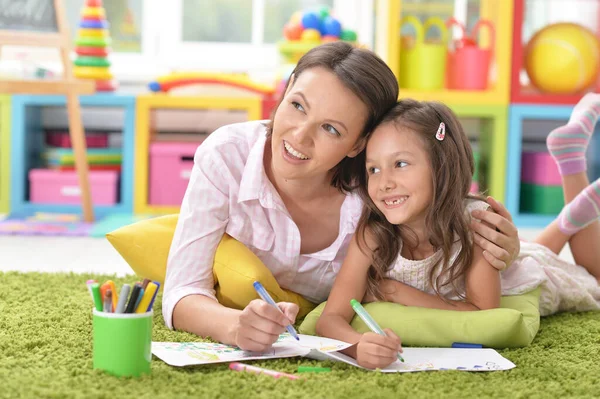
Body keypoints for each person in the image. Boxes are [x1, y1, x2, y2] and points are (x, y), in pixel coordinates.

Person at [163, 42, 521, 352]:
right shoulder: (227, 156)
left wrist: (506, 247)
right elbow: (181, 289)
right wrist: (233, 326)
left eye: (331, 128)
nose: (300, 137)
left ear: (359, 144)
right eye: (298, 105)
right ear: (287, 88)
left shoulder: (378, 193)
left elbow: (445, 220)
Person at [316, 95, 600, 370]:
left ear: (441, 166)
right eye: (373, 169)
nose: (384, 183)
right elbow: (330, 318)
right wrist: (356, 345)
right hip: (511, 257)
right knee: (539, 249)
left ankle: (571, 183)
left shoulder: (475, 224)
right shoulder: (374, 232)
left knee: (594, 281)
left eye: (400, 164)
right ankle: (568, 219)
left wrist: (397, 293)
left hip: (523, 276)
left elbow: (484, 315)